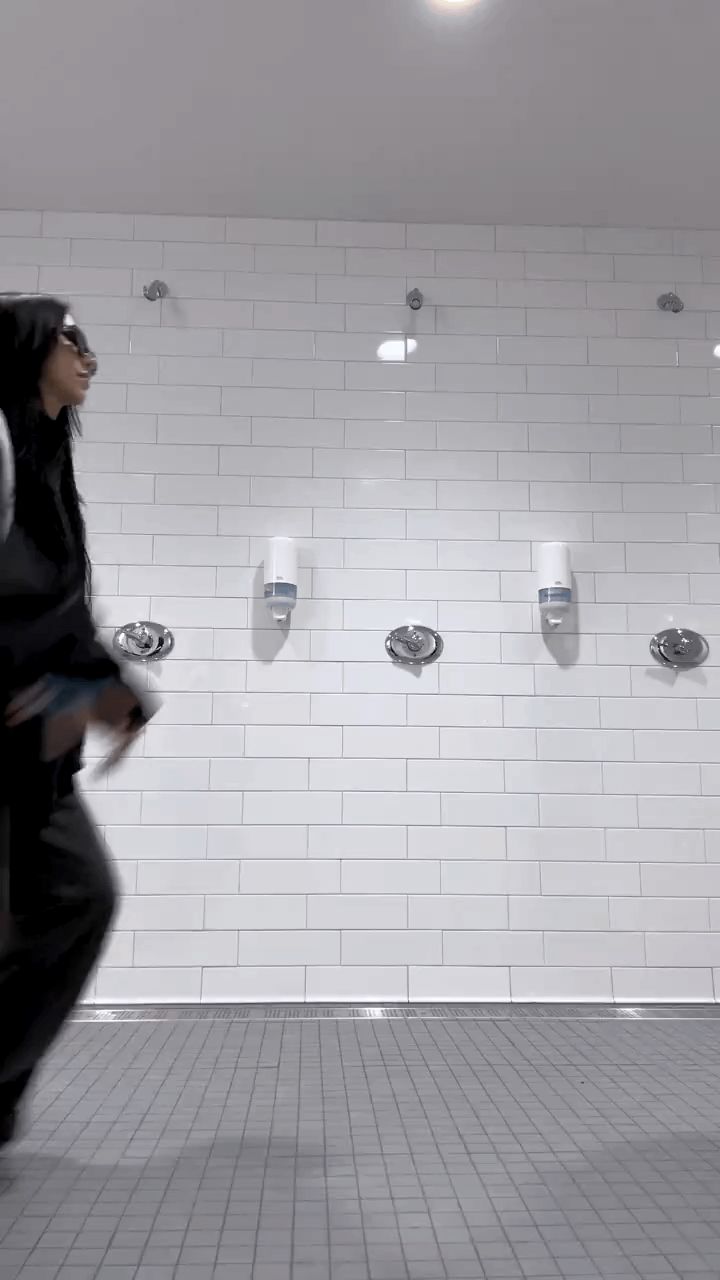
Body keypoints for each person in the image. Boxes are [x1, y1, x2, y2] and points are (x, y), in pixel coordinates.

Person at [0, 294, 154, 1150]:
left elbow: (58, 613)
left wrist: (115, 698)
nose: (88, 358)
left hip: (33, 746)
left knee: (80, 897)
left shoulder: (47, 463)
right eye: (71, 342)